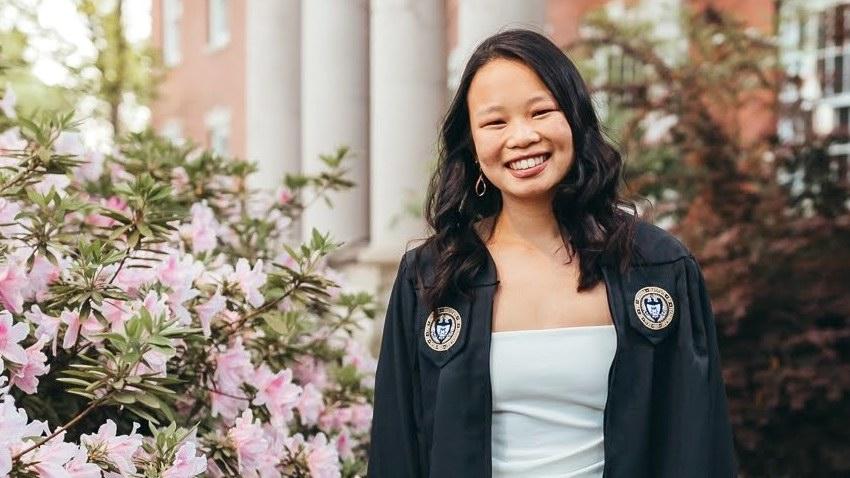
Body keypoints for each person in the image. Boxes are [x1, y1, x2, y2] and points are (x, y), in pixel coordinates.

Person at [367, 29, 737, 478]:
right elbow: (397, 448)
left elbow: (699, 444)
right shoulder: (431, 277)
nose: (521, 137)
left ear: (576, 121)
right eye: (495, 122)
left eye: (541, 112)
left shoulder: (656, 268)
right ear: (472, 144)